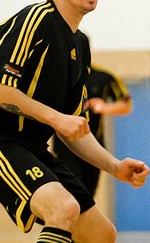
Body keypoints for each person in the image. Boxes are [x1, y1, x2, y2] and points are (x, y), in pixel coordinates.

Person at [0, 0, 150, 243]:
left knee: (101, 234)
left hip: (32, 148)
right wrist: (56, 119)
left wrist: (115, 166)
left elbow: (75, 128)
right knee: (63, 209)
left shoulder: (80, 45)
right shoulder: (37, 20)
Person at [53, 64, 133, 196]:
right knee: (72, 193)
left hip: (94, 145)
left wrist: (105, 107)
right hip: (64, 146)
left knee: (88, 195)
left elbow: (126, 104)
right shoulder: (58, 75)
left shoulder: (103, 77)